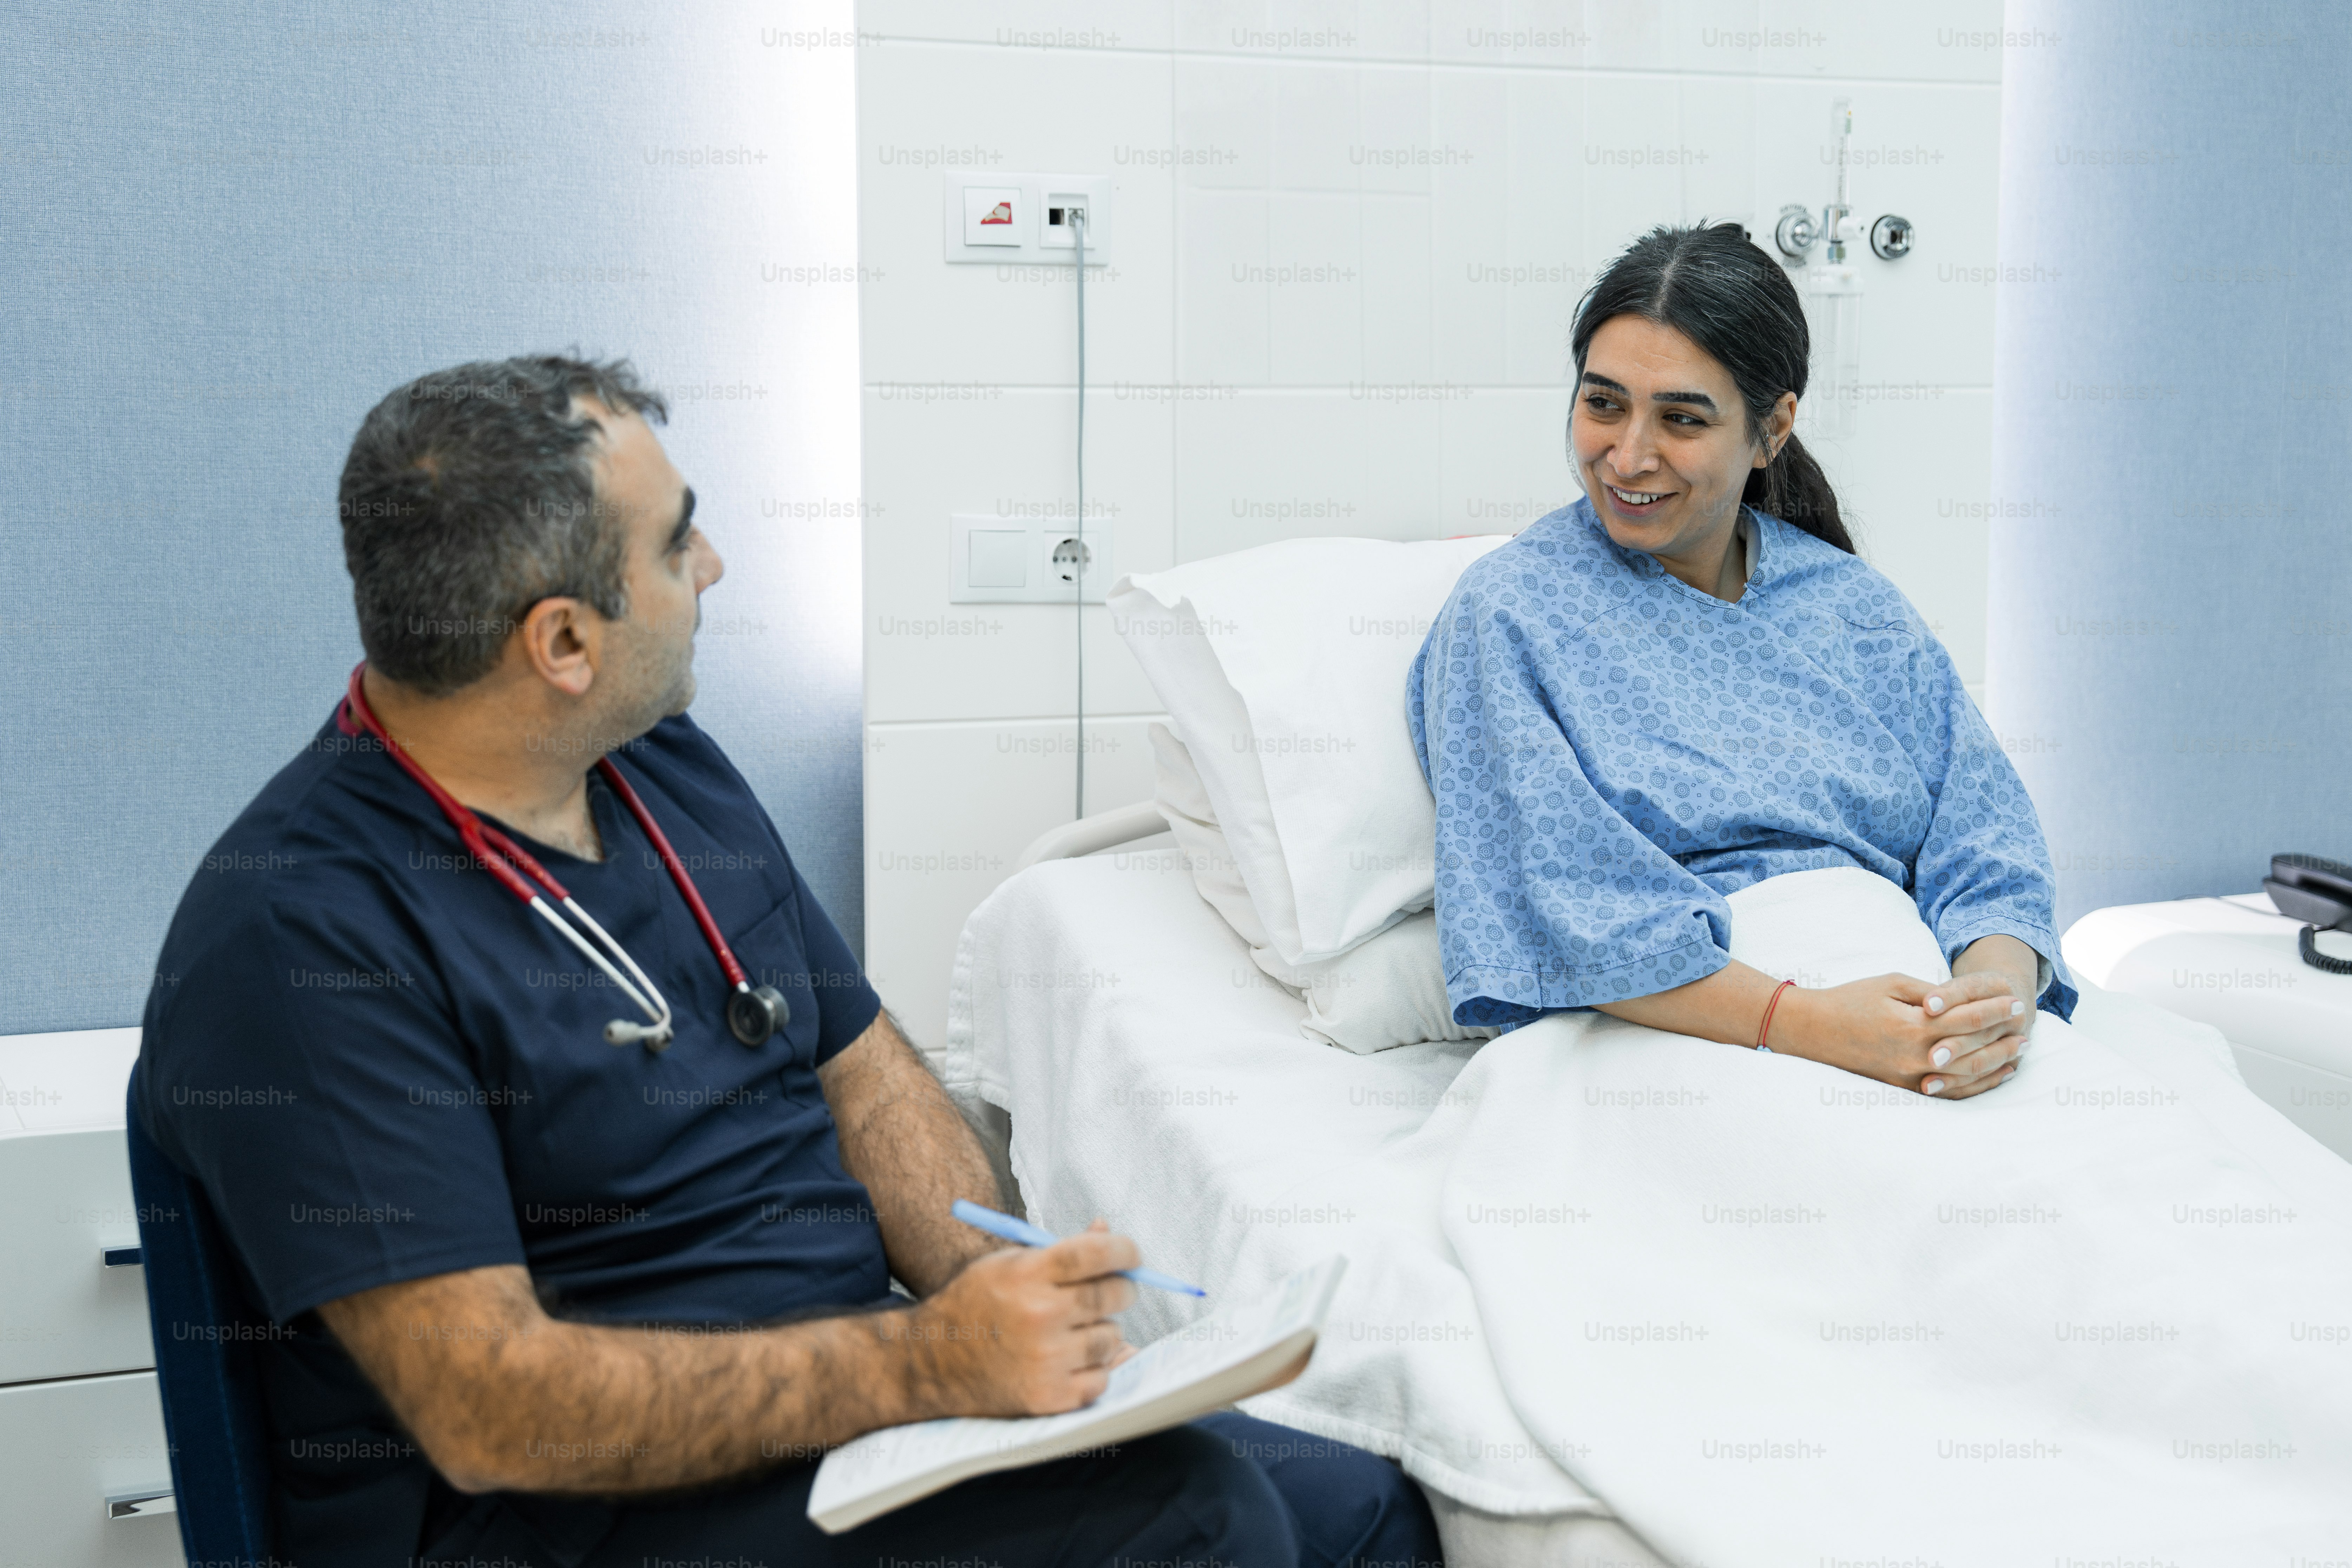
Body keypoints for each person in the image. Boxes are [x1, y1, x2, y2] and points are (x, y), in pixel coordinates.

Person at [135, 356, 1441, 1568]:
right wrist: (923, 1367)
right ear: (563, 642)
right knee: (1195, 1523)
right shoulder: (304, 937)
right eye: (672, 541)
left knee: (1363, 1505)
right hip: (563, 1514)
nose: (712, 564)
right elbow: (492, 1407)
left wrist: (990, 1295)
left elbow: (859, 1069)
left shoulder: (655, 767)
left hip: (840, 1425)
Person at [1409, 222, 2074, 1100]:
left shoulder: (1853, 609)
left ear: (1772, 430)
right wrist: (1812, 1025)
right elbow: (1570, 909)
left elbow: (1986, 838)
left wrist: (1987, 1007)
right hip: (1684, 1036)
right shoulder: (1512, 615)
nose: (1629, 454)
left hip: (1911, 1008)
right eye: (1603, 403)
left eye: (1681, 418)